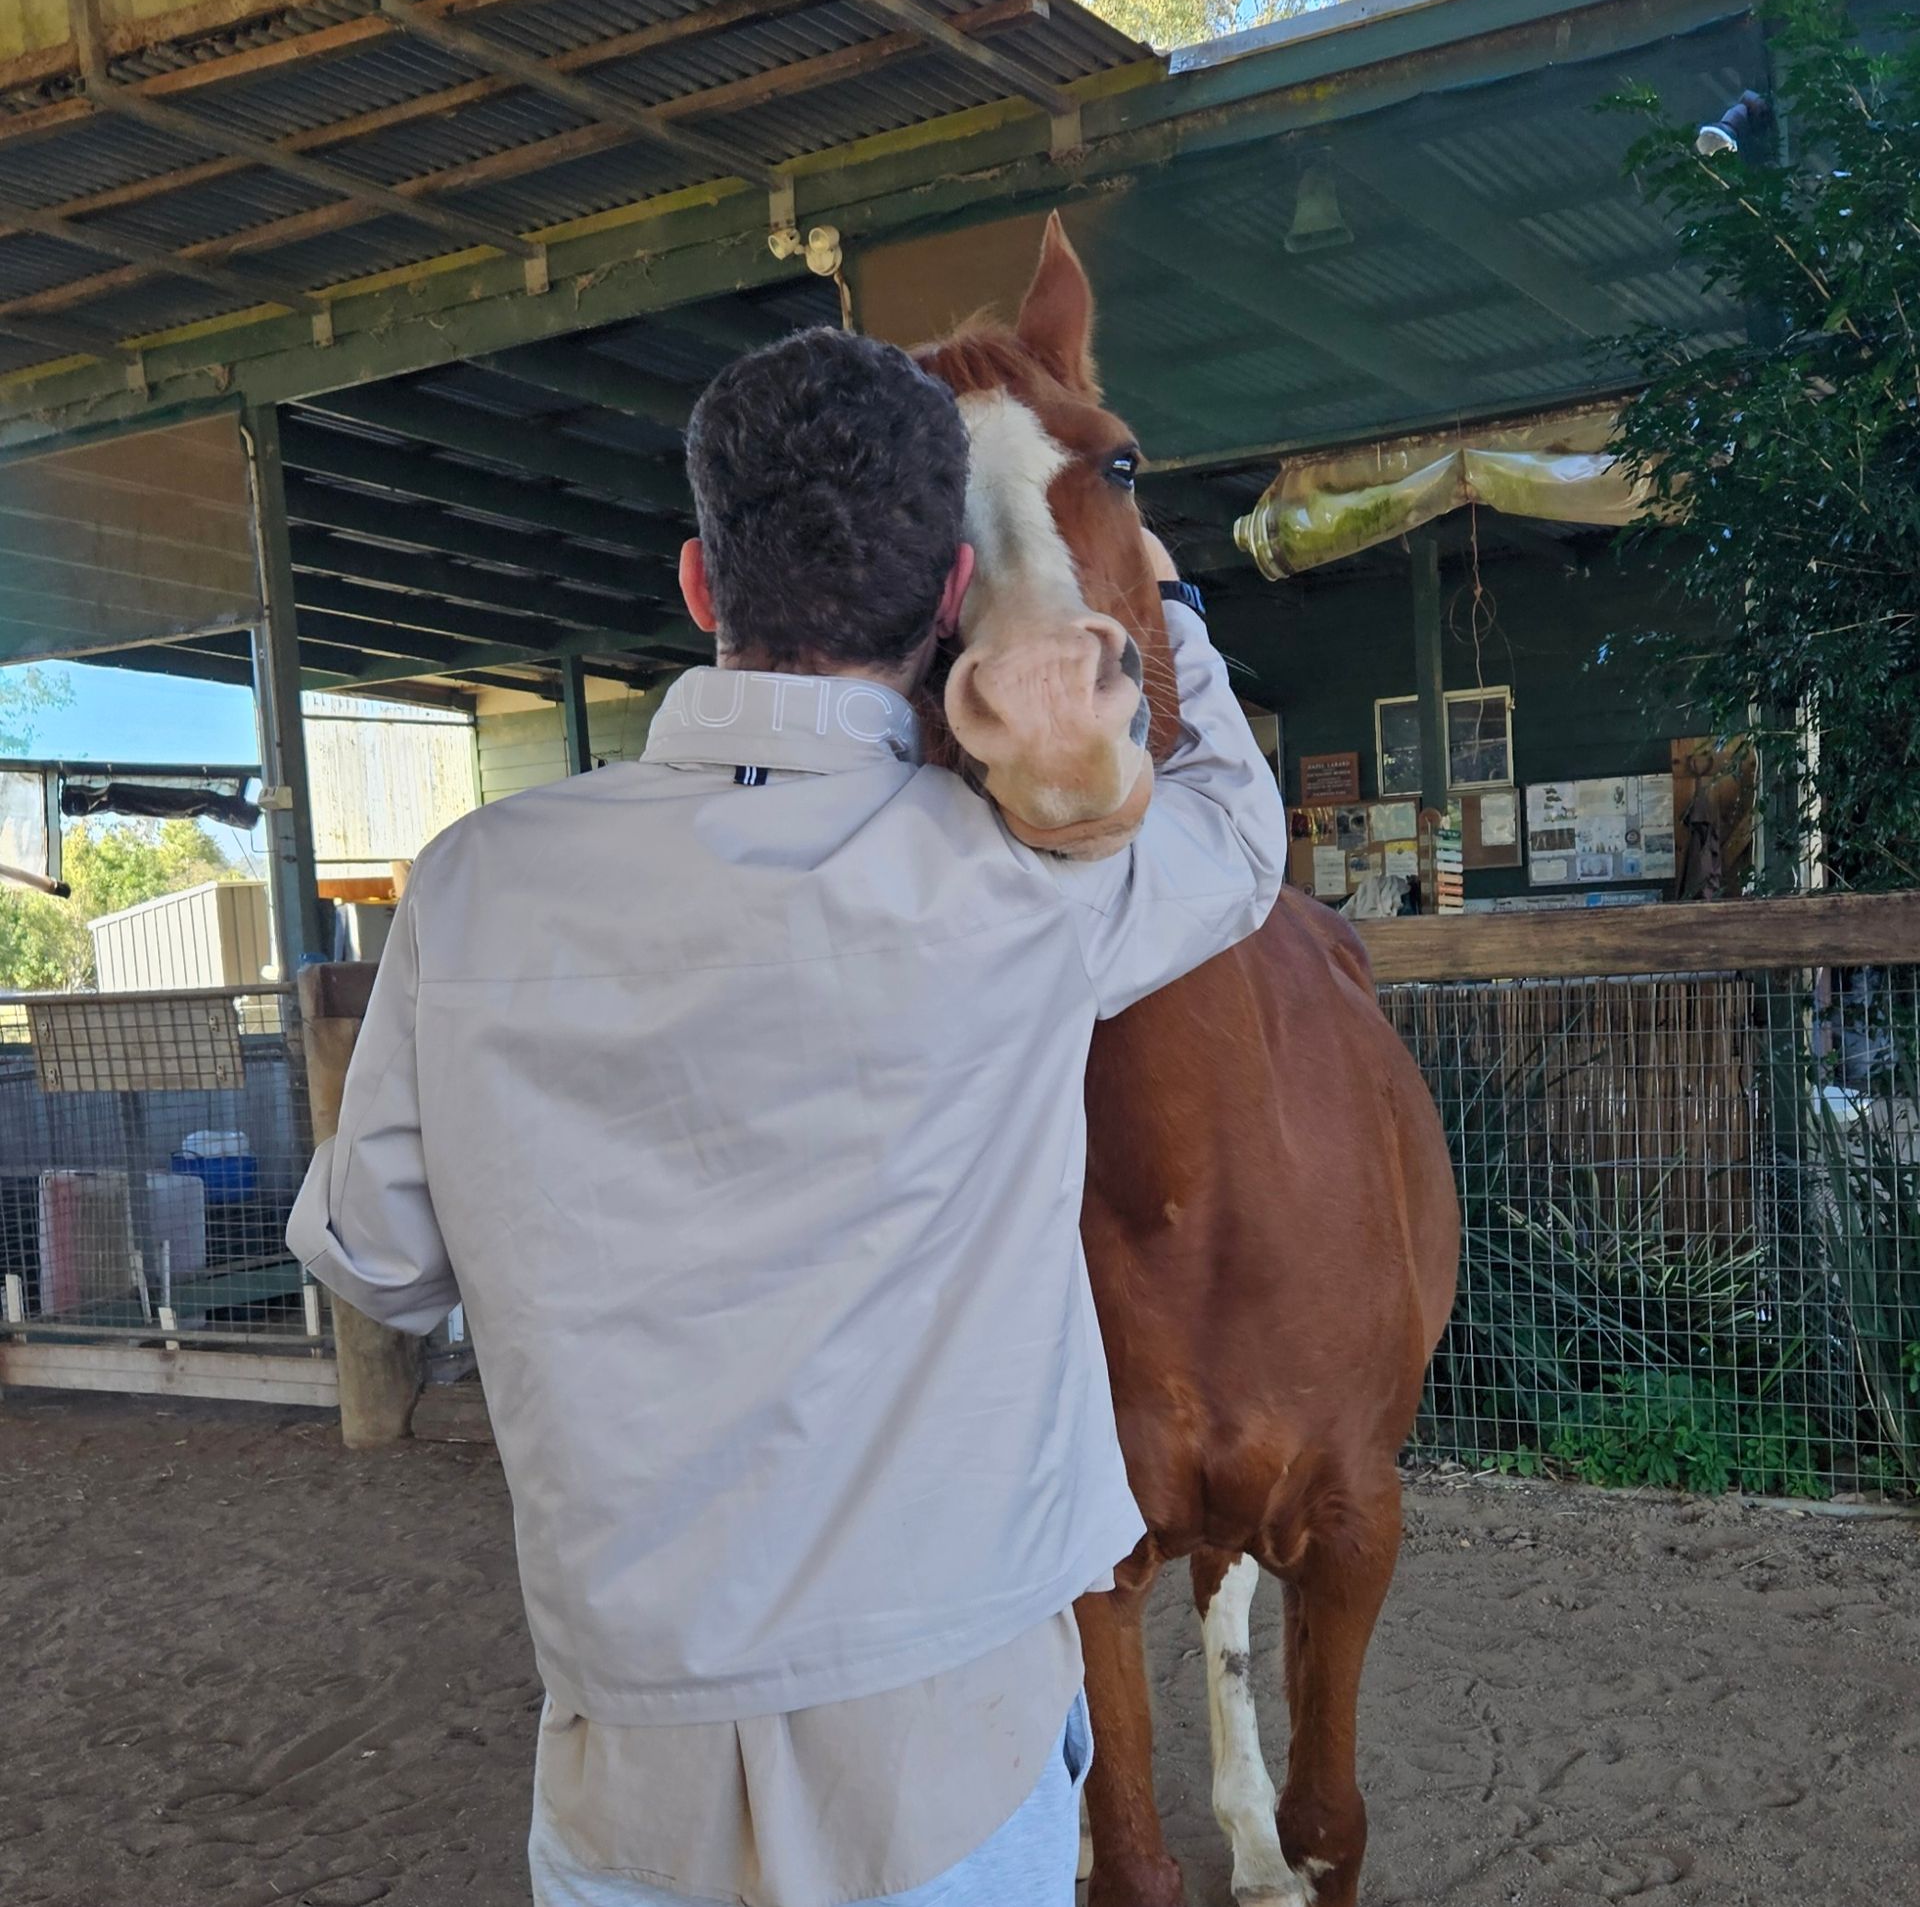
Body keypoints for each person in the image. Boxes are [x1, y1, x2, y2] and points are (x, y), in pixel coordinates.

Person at [288, 327, 1287, 1907]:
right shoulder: (1021, 894)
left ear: (701, 586)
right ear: (958, 594)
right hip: (945, 1744)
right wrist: (1154, 599)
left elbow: (376, 1260)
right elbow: (1235, 834)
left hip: (629, 1754)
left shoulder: (476, 887)